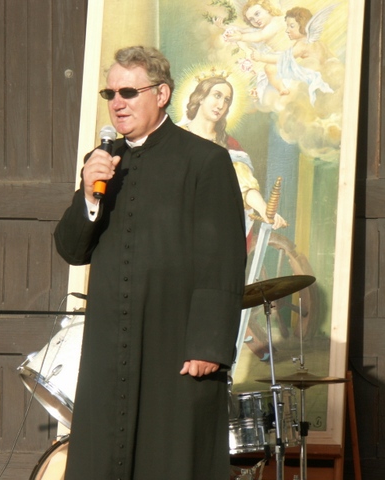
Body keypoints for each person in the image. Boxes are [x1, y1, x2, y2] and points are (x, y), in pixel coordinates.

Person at [54, 46, 247, 480]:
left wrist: (208, 345)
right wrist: (88, 194)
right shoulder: (102, 163)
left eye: (128, 92)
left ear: (162, 95)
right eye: (110, 93)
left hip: (174, 341)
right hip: (110, 343)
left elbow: (223, 260)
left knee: (171, 458)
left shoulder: (205, 160)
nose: (117, 103)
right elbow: (71, 249)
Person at [180, 75, 287, 363]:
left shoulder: (230, 146)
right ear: (200, 97)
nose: (221, 104)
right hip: (176, 231)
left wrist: (265, 210)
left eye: (226, 100)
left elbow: (245, 185)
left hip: (212, 235)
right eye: (216, 95)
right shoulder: (174, 137)